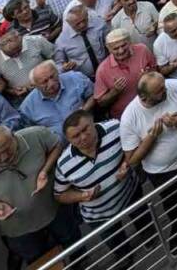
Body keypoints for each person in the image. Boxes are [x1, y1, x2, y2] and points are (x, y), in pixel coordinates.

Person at [118, 71, 177, 255]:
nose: (165, 91)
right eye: (159, 91)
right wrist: (151, 137)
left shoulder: (174, 86)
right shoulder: (129, 117)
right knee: (171, 204)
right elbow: (132, 159)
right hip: (161, 172)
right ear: (144, 96)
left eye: (163, 86)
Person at [0, 125, 73, 267]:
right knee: (39, 260)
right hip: (19, 229)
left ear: (14, 137)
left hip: (54, 209)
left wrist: (44, 170)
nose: (4, 158)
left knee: (71, 241)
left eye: (7, 150)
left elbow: (56, 145)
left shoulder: (36, 134)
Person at [54, 109, 142, 258]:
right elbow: (59, 194)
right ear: (68, 140)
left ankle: (149, 239)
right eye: (76, 136)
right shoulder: (64, 164)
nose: (83, 137)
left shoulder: (115, 128)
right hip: (98, 215)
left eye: (85, 129)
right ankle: (126, 258)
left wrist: (126, 164)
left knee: (144, 223)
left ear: (93, 122)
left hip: (130, 194)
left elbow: (135, 145)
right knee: (119, 246)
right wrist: (82, 196)